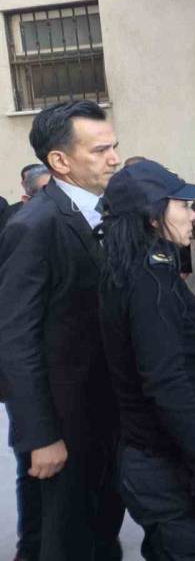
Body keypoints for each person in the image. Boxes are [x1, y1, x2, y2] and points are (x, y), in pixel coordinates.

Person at [0, 100, 125, 561]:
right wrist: (40, 435)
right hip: (63, 426)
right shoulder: (35, 225)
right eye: (100, 150)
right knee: (61, 541)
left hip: (105, 417)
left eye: (113, 147)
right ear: (60, 161)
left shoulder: (109, 214)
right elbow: (15, 339)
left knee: (98, 531)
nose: (113, 158)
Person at [99, 159, 195, 558]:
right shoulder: (146, 279)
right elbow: (166, 382)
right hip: (168, 467)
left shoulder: (135, 269)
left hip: (156, 460)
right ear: (153, 217)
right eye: (183, 206)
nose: (194, 216)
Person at [1, 162, 50, 561]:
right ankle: (30, 547)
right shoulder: (23, 228)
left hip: (52, 371)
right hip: (26, 373)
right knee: (32, 464)